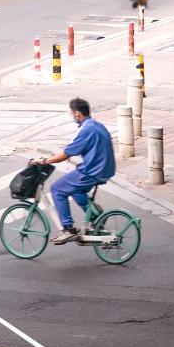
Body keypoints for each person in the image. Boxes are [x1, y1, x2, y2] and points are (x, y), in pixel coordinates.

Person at [30, 98, 116, 244]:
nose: (71, 116)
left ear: (77, 114)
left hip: (93, 171)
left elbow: (65, 154)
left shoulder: (87, 129)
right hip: (105, 169)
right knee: (76, 190)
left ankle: (68, 229)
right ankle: (95, 214)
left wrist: (44, 161)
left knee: (57, 189)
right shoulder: (96, 125)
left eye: (71, 113)